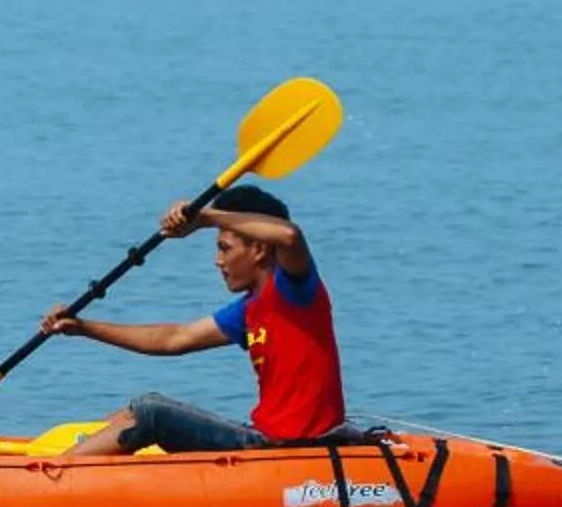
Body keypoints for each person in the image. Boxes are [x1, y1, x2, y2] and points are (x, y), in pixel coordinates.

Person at [37, 186, 351, 456]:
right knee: (142, 406)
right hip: (263, 438)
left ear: (258, 248)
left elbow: (289, 234)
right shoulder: (248, 310)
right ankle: (64, 462)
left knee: (153, 415)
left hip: (290, 449)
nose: (218, 261)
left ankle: (47, 478)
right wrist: (84, 328)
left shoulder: (295, 290)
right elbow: (173, 339)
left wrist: (205, 217)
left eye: (224, 248)